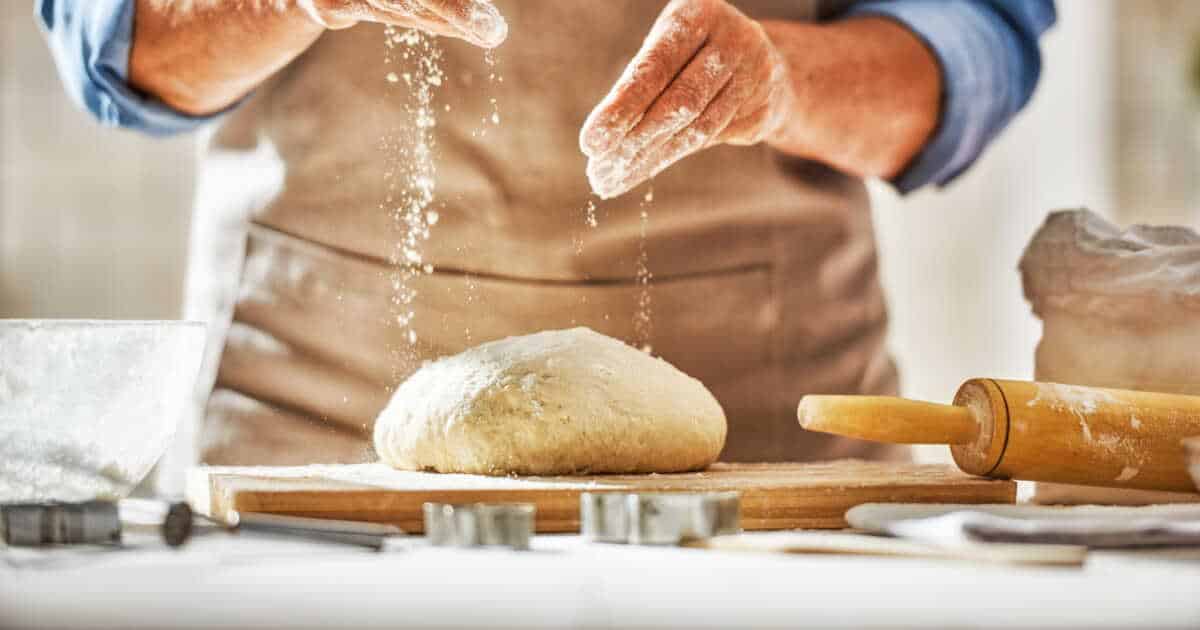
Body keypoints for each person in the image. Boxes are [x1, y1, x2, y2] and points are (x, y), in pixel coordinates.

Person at [38, 0, 1056, 478]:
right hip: (312, 431)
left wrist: (786, 81)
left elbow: (979, 45)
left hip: (762, 453)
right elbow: (110, 41)